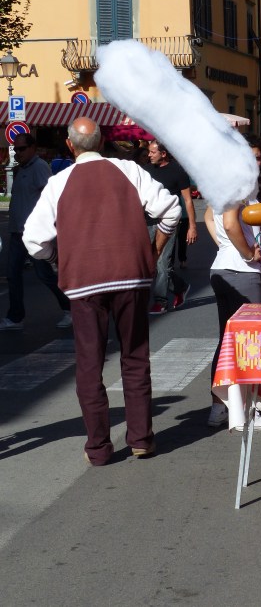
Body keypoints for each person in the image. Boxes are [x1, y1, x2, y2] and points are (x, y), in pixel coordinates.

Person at [22, 117, 181, 465]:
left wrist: (58, 257)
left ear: (70, 146)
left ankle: (98, 447)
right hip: (131, 277)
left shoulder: (59, 182)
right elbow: (171, 210)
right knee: (135, 357)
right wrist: (154, 249)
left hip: (83, 283)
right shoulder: (128, 171)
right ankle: (140, 438)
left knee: (89, 364)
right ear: (101, 141)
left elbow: (33, 239)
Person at [205, 138, 261, 431]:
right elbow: (230, 222)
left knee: (228, 339)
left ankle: (222, 407)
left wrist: (224, 245)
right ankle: (248, 406)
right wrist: (247, 252)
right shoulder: (239, 186)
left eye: (258, 158)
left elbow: (211, 217)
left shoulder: (227, 184)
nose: (254, 162)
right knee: (248, 340)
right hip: (241, 271)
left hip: (226, 268)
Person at [0, 132, 72, 331]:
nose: (18, 153)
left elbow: (50, 196)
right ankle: (15, 317)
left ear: (33, 148)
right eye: (15, 149)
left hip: (34, 233)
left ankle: (69, 308)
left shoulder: (39, 167)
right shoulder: (20, 169)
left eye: (22, 149)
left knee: (45, 275)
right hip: (17, 232)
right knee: (13, 275)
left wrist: (49, 227)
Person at [146, 140, 197, 314]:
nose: (149, 155)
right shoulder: (146, 171)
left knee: (162, 263)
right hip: (148, 221)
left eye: (153, 152)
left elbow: (188, 200)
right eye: (149, 152)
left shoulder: (177, 171)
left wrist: (192, 226)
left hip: (169, 222)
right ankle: (180, 287)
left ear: (163, 154)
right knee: (150, 262)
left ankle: (160, 301)